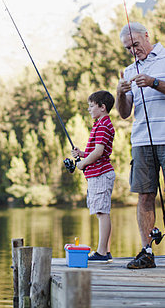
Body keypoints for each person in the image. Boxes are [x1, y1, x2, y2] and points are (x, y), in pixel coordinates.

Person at [116, 22, 165, 272]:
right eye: (128, 48)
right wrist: (120, 93)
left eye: (136, 44)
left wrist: (153, 82)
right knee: (145, 195)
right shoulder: (129, 70)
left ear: (147, 37)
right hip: (141, 142)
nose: (133, 51)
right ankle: (147, 251)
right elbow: (125, 113)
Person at [71, 90, 116, 262]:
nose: (89, 109)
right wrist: (82, 154)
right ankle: (105, 251)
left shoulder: (104, 125)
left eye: (91, 106)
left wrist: (82, 164)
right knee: (101, 212)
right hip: (98, 175)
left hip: (101, 175)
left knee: (102, 212)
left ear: (102, 107)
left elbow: (99, 152)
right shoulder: (99, 124)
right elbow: (95, 152)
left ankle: (102, 253)